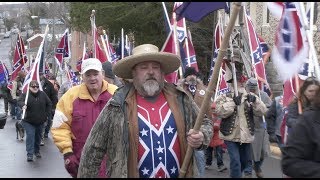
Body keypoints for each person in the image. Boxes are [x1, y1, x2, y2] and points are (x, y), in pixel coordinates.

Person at [77, 44, 213, 178]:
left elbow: (205, 122)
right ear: (133, 73)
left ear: (162, 72)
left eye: (155, 67)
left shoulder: (181, 98)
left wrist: (201, 136)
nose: (151, 72)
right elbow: (92, 151)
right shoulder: (117, 104)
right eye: (144, 68)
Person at [51, 58, 118, 178]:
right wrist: (67, 152)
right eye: (88, 74)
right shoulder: (70, 97)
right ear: (82, 76)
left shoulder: (117, 94)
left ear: (102, 74)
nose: (92, 78)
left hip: (113, 161)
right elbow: (59, 127)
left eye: (95, 74)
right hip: (82, 161)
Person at [215, 47, 268, 178]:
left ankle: (235, 175)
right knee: (235, 162)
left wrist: (255, 101)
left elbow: (263, 111)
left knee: (245, 162)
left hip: (246, 135)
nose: (238, 83)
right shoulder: (224, 96)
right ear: (231, 82)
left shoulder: (250, 95)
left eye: (240, 80)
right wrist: (233, 102)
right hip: (230, 135)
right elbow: (220, 112)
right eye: (235, 81)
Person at [177, 66, 212, 177]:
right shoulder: (178, 89)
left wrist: (209, 126)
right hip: (183, 129)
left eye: (193, 74)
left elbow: (209, 107)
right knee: (182, 158)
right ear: (185, 77)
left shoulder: (204, 89)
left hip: (198, 130)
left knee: (200, 156)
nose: (192, 76)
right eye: (189, 75)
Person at [281, 82, 320, 178]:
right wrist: (301, 123)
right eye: (310, 91)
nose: (313, 93)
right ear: (304, 91)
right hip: (298, 138)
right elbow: (289, 120)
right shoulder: (297, 105)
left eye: (315, 91)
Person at [243, 77, 272, 178]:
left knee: (262, 152)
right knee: (249, 152)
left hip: (260, 128)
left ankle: (257, 166)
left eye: (253, 88)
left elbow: (269, 109)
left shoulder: (263, 95)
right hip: (247, 127)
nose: (251, 90)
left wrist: (260, 105)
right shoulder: (243, 95)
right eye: (250, 88)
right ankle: (248, 172)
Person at [17, 80, 52, 162]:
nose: (35, 88)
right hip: (28, 121)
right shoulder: (26, 95)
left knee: (38, 137)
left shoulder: (42, 94)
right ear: (29, 87)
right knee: (30, 136)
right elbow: (19, 101)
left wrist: (46, 114)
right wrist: (23, 105)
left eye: (37, 86)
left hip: (40, 121)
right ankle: (29, 154)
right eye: (33, 86)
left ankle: (36, 151)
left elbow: (49, 103)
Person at [205, 102, 227, 172]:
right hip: (210, 137)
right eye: (212, 109)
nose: (213, 110)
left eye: (215, 109)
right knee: (208, 153)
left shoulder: (220, 116)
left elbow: (220, 126)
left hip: (218, 138)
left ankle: (220, 165)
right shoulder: (208, 116)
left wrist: (216, 126)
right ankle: (208, 163)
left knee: (219, 153)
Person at [39, 72, 58, 145]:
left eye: (41, 75)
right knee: (41, 122)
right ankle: (40, 137)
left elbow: (53, 96)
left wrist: (53, 106)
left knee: (49, 121)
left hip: (48, 106)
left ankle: (46, 132)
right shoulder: (35, 84)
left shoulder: (49, 84)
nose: (40, 76)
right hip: (38, 106)